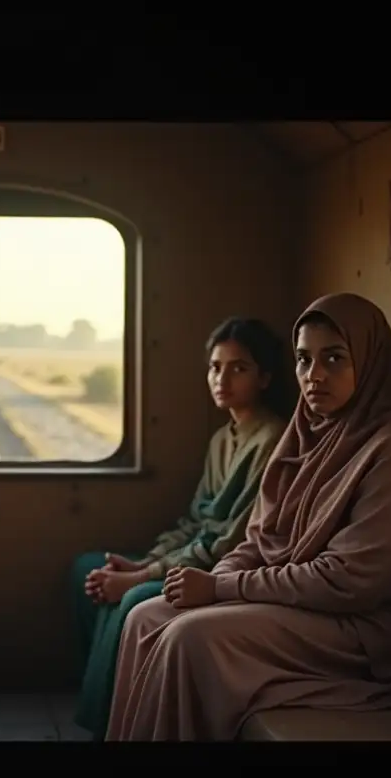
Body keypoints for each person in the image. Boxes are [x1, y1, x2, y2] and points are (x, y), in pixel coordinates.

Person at [105, 292, 391, 741]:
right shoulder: (308, 433)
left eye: (334, 359)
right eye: (304, 360)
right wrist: (225, 578)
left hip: (368, 629)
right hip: (301, 600)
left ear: (369, 360)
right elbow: (260, 538)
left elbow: (348, 582)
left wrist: (220, 587)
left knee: (188, 638)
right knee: (145, 618)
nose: (315, 376)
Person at [68, 316, 293, 739]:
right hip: (190, 553)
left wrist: (142, 575)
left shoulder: (273, 441)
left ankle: (109, 723)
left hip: (221, 570)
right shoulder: (222, 439)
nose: (221, 378)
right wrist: (147, 558)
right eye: (214, 366)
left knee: (134, 596)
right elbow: (194, 521)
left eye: (238, 368)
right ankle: (107, 696)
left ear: (264, 377)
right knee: (87, 567)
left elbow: (229, 541)